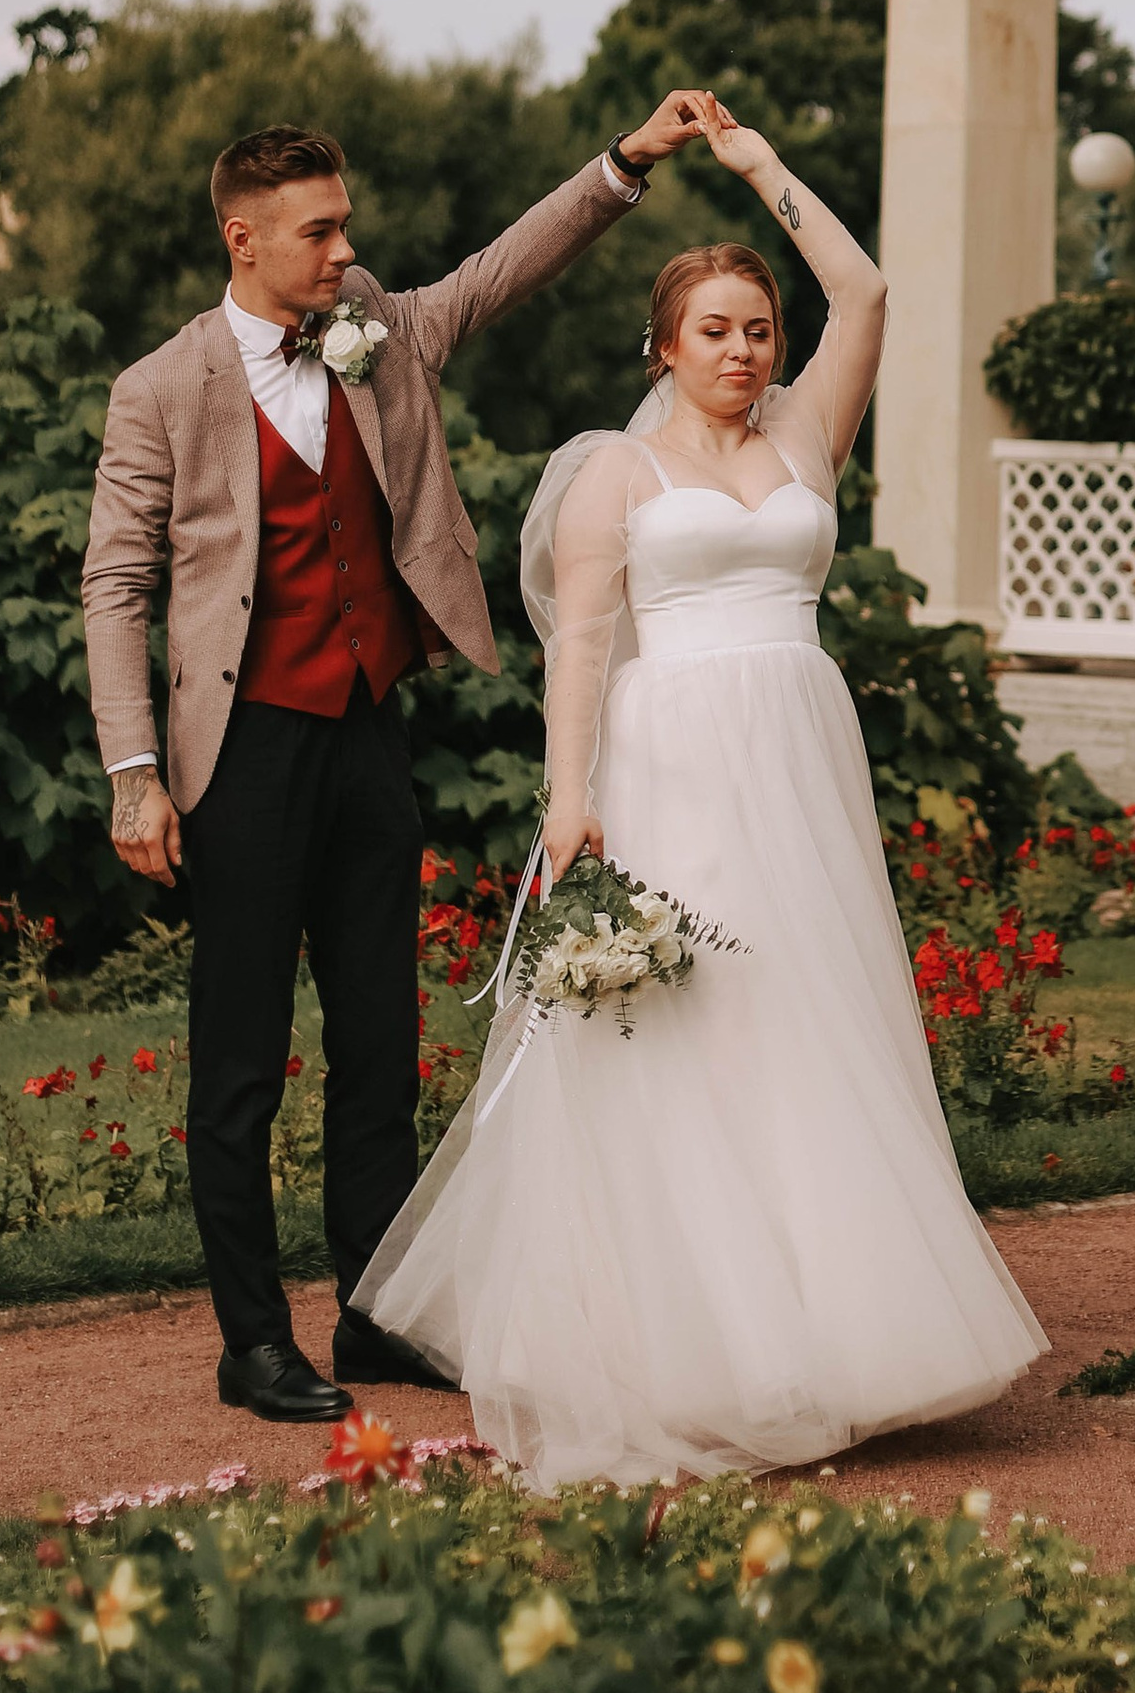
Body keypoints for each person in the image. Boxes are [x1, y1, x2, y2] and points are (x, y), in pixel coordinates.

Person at [353, 90, 1048, 1490]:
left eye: (757, 329)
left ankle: (842, 1332)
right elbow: (586, 653)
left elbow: (867, 285)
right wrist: (568, 802)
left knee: (809, 1012)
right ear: (663, 348)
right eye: (715, 331)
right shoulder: (614, 471)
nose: (743, 350)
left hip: (798, 751)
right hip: (670, 759)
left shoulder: (807, 439)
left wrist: (757, 167)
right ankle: (691, 1344)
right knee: (692, 1027)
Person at [83, 103, 691, 1425]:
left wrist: (625, 165)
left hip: (364, 733)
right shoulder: (161, 392)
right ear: (243, 240)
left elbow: (497, 271)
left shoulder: (373, 325)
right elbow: (115, 585)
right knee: (240, 1061)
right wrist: (136, 772)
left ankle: (371, 1314)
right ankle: (252, 1342)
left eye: (344, 221)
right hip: (235, 756)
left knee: (378, 1042)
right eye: (319, 229)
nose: (344, 248)